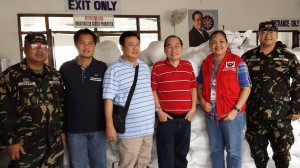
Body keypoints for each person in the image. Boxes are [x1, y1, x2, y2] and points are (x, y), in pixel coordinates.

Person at [0, 33, 64, 167]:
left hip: (53, 143)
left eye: (44, 46)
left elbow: (61, 105)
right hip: (25, 145)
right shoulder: (11, 75)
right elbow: (4, 111)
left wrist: (62, 131)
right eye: (34, 45)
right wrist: (11, 141)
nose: (40, 49)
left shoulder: (55, 75)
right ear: (24, 50)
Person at [242, 21, 300, 168]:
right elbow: (239, 84)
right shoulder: (247, 57)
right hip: (255, 115)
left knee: (282, 155)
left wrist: (296, 107)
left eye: (271, 32)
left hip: (280, 115)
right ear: (259, 35)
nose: (268, 35)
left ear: (277, 35)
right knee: (258, 155)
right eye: (264, 32)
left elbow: (299, 81)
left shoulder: (288, 57)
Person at [197, 30, 252, 168]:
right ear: (209, 45)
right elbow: (199, 85)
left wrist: (235, 110)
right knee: (216, 151)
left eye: (221, 41)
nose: (218, 45)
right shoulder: (206, 63)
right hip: (212, 115)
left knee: (233, 152)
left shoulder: (237, 62)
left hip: (231, 115)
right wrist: (203, 102)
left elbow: (246, 87)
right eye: (214, 42)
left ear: (227, 44)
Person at [103, 31, 155, 168]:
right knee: (128, 164)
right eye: (130, 45)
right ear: (122, 47)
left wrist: (153, 118)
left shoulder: (144, 67)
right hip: (129, 130)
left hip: (147, 128)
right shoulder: (114, 70)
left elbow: (147, 94)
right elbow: (108, 100)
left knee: (144, 163)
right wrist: (109, 126)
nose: (135, 48)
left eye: (137, 44)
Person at [59, 28, 107, 168]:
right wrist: (62, 129)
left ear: (94, 45)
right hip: (74, 129)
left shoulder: (102, 67)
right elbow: (60, 99)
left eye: (90, 43)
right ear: (76, 44)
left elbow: (108, 98)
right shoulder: (65, 68)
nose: (86, 47)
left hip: (98, 128)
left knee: (99, 164)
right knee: (78, 165)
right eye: (82, 42)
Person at [151, 35, 197, 168]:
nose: (173, 49)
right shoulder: (158, 66)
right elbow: (153, 90)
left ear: (182, 48)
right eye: (169, 46)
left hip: (185, 119)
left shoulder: (187, 65)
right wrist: (159, 111)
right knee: (166, 157)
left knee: (181, 156)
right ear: (165, 50)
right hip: (166, 119)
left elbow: (193, 88)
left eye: (177, 46)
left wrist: (193, 108)